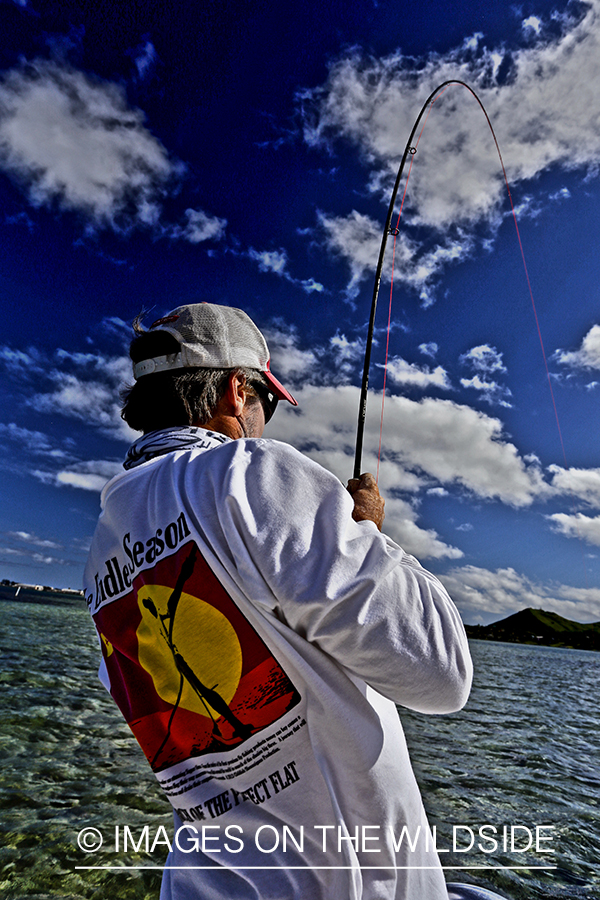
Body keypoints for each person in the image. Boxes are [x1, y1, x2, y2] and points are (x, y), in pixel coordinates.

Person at [83, 301, 473, 900]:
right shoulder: (249, 473)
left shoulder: (104, 548)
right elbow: (442, 674)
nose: (266, 422)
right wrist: (369, 534)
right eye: (266, 402)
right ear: (237, 391)